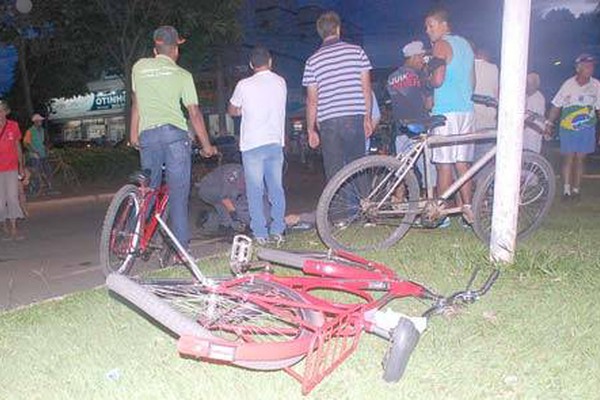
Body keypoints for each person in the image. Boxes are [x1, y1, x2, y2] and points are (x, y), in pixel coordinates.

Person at [130, 26, 217, 251]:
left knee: (149, 191)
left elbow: (137, 104)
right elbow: (194, 113)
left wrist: (133, 134)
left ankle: (134, 239)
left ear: (155, 49)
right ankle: (180, 250)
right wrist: (207, 146)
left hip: (147, 135)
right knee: (179, 194)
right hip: (174, 136)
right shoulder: (183, 75)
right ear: (176, 50)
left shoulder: (139, 67)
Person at [302, 11, 373, 181]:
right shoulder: (357, 52)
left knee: (335, 174)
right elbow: (366, 88)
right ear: (338, 29)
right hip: (353, 117)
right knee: (358, 168)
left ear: (320, 33)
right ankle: (363, 206)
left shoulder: (312, 61)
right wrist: (367, 117)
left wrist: (310, 129)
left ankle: (339, 208)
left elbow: (312, 101)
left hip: (328, 122)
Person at [228, 46, 287, 246]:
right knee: (276, 189)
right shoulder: (281, 82)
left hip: (252, 144)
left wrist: (244, 109)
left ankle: (260, 233)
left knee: (255, 190)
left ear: (251, 65)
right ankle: (278, 229)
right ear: (270, 62)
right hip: (274, 142)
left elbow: (233, 110)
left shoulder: (243, 85)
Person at [425, 7, 476, 224]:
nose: (428, 31)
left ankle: (442, 215)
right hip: (466, 110)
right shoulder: (466, 45)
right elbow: (473, 82)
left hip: (446, 112)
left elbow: (437, 80)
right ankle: (468, 213)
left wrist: (426, 78)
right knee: (462, 163)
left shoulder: (440, 45)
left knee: (443, 165)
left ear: (444, 24)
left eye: (430, 25)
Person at [545, 53, 600, 200]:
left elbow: (598, 108)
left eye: (592, 66)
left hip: (587, 127)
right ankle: (566, 190)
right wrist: (549, 123)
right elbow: (556, 105)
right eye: (587, 66)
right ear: (578, 68)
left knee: (580, 158)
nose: (590, 69)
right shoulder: (568, 84)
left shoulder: (596, 85)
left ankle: (576, 190)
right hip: (568, 128)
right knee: (568, 158)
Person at [386, 40, 435, 192]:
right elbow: (428, 104)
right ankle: (431, 202)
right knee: (428, 170)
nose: (423, 61)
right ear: (413, 57)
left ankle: (398, 200)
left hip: (401, 129)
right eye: (421, 57)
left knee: (401, 169)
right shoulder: (418, 76)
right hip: (419, 127)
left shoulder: (392, 77)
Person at [195, 163, 249, 236]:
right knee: (232, 207)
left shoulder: (250, 181)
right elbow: (225, 198)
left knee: (234, 211)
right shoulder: (235, 172)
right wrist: (235, 216)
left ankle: (210, 219)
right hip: (208, 189)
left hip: (222, 193)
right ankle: (225, 225)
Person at [0, 99, 25, 241]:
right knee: (0, 201)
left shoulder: (13, 126)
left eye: (2, 110)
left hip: (11, 168)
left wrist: (21, 165)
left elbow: (18, 147)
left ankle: (14, 227)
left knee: (12, 198)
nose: (0, 113)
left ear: (7, 112)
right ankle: (4, 224)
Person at [23, 113, 55, 193]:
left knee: (47, 170)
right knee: (37, 172)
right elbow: (26, 143)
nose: (41, 122)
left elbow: (42, 142)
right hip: (34, 155)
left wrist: (47, 149)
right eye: (39, 121)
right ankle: (36, 189)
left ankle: (48, 187)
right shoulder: (30, 131)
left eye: (41, 121)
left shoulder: (42, 130)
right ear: (35, 122)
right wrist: (33, 150)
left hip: (42, 154)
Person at [523, 72, 547, 154]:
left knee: (532, 155)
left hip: (533, 132)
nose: (526, 86)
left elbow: (533, 116)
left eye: (529, 84)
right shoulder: (526, 96)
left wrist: (520, 127)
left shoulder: (538, 97)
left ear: (535, 85)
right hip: (525, 131)